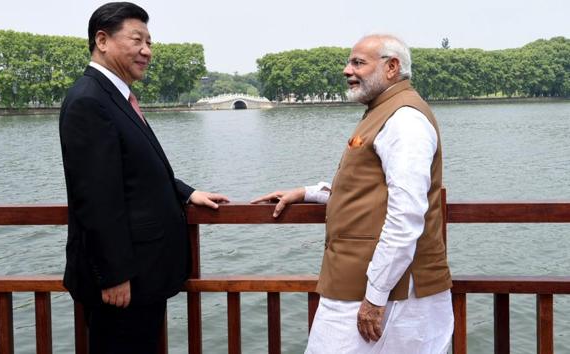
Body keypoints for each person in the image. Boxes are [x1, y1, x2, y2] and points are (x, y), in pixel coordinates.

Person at [252, 34, 453, 353]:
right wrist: (309, 193)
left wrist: (375, 296)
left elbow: (405, 216)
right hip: (365, 285)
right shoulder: (384, 110)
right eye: (349, 62)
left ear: (392, 67)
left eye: (358, 62)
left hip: (387, 292)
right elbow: (369, 191)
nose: (347, 70)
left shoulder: (405, 120)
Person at [59, 3, 228, 353]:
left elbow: (133, 170)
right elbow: (96, 196)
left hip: (141, 276)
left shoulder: (115, 96)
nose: (147, 51)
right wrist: (114, 275)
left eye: (150, 42)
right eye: (137, 40)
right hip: (123, 284)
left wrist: (186, 192)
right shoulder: (89, 100)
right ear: (102, 40)